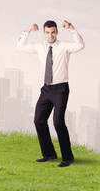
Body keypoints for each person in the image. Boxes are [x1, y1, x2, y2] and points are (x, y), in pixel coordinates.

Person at [16, 20, 85, 167]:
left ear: (57, 32)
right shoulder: (40, 47)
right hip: (46, 89)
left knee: (58, 122)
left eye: (53, 32)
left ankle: (68, 157)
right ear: (44, 33)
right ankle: (49, 153)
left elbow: (80, 45)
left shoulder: (65, 46)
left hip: (61, 89)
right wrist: (28, 30)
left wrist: (72, 28)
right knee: (39, 120)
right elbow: (20, 46)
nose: (50, 35)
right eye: (47, 32)